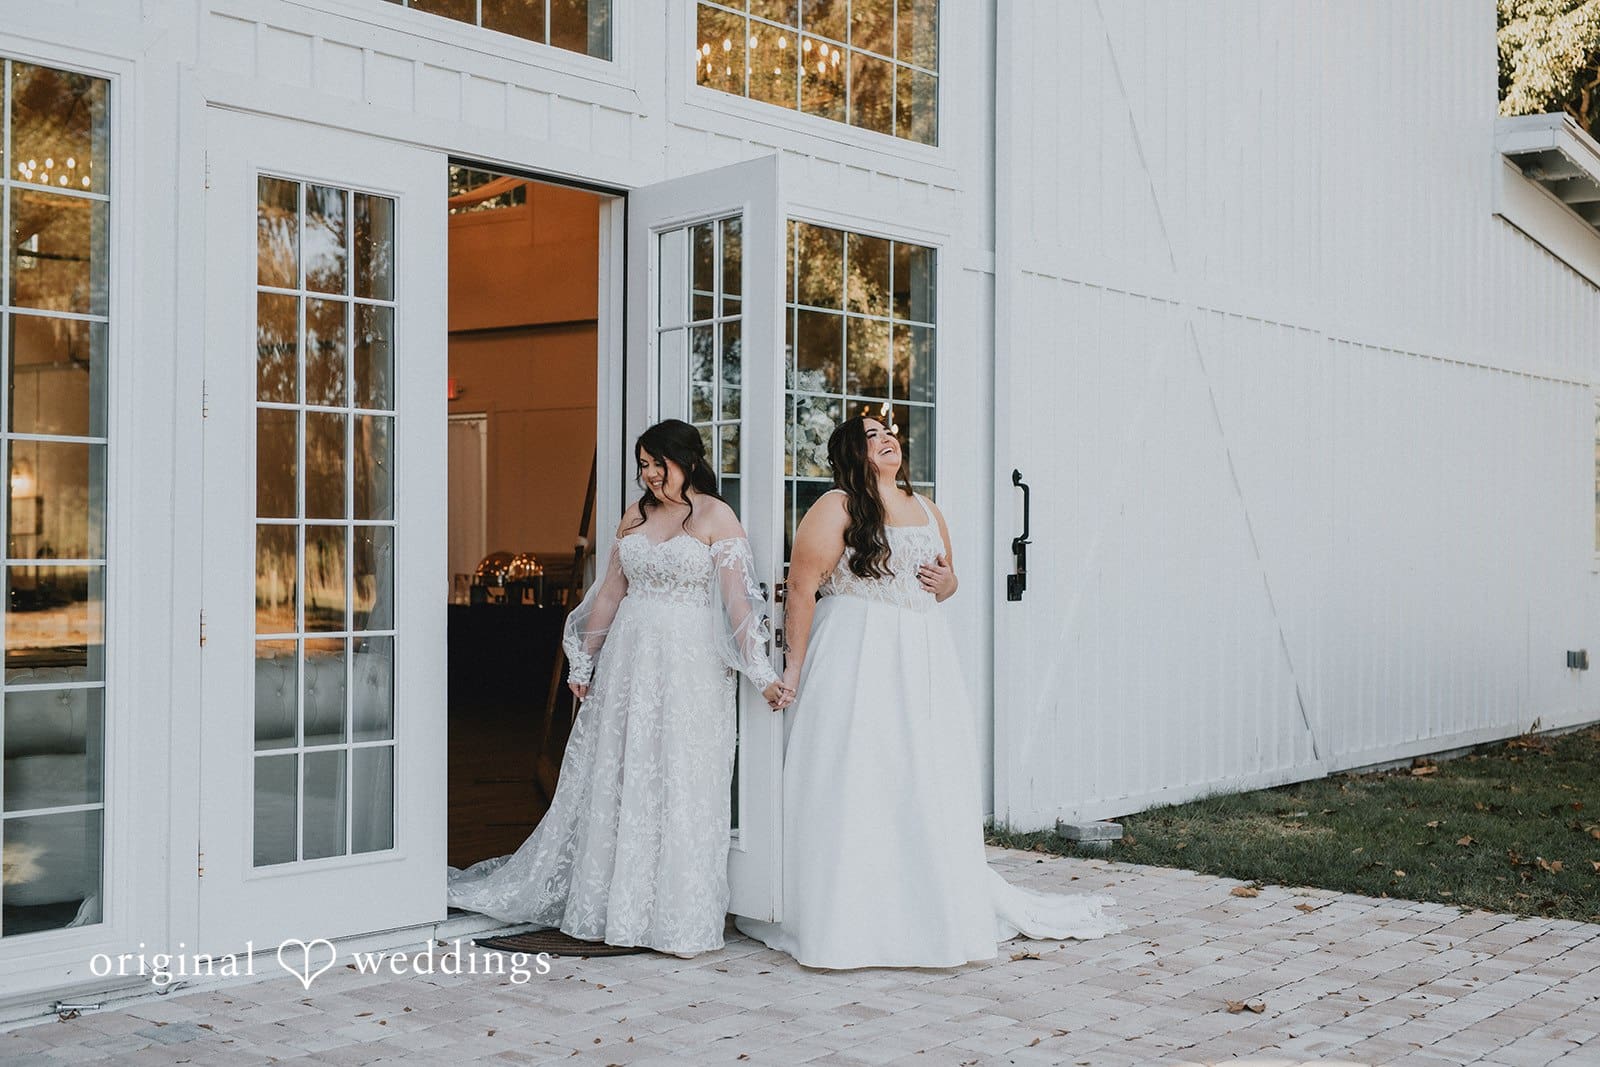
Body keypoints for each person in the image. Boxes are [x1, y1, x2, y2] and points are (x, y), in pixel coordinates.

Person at [735, 414, 1122, 968]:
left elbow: (948, 579)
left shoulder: (927, 508)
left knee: (921, 773)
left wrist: (948, 584)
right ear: (850, 452)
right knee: (855, 770)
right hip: (855, 651)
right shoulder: (836, 506)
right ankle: (841, 911)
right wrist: (792, 668)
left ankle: (924, 903)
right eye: (869, 435)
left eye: (888, 431)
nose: (886, 438)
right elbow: (800, 588)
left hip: (920, 655)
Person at [448, 419, 789, 957]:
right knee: (620, 771)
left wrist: (764, 675)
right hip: (630, 659)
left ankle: (672, 918)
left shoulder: (716, 517)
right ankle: (611, 905)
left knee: (679, 775)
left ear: (690, 461)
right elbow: (609, 592)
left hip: (689, 664)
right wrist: (583, 661)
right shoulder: (636, 514)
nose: (651, 476)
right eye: (644, 465)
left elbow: (738, 603)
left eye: (660, 464)